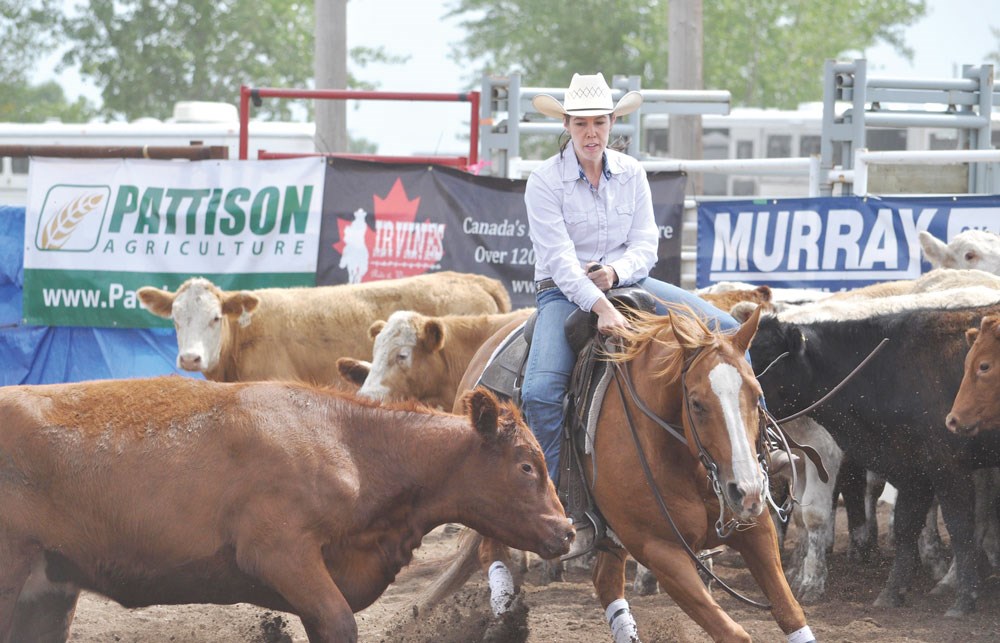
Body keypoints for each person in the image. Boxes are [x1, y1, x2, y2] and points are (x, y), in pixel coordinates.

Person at [523, 72, 740, 558]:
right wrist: (599, 304)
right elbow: (558, 261)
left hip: (629, 282)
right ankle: (555, 510)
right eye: (581, 124)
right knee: (539, 391)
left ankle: (756, 460)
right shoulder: (544, 181)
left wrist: (615, 276)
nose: (591, 132)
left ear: (612, 121)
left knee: (726, 333)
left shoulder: (632, 173)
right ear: (567, 125)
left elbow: (645, 246)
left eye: (599, 122)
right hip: (561, 292)